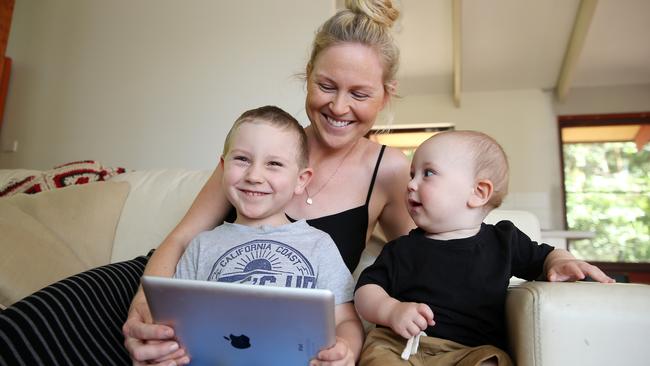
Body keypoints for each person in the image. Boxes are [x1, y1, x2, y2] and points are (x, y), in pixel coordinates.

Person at [123, 1, 414, 365]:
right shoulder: (259, 146)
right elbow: (181, 239)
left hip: (271, 348)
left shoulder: (389, 171)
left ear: (386, 93)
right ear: (308, 75)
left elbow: (418, 260)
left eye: (359, 94)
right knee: (42, 321)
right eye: (326, 85)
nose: (339, 107)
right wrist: (142, 305)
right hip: (153, 283)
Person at [353, 130, 615, 366]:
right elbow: (366, 290)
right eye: (412, 175)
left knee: (494, 361)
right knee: (377, 356)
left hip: (470, 352)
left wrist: (560, 261)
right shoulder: (400, 249)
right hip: (402, 347)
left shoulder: (504, 240)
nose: (410, 184)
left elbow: (547, 256)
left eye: (428, 173)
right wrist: (390, 310)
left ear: (478, 192)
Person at [169, 105, 363, 365]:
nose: (254, 176)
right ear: (223, 167)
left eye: (273, 164)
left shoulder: (318, 244)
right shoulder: (202, 245)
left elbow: (346, 320)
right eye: (242, 160)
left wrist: (345, 350)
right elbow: (175, 322)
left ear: (301, 180)